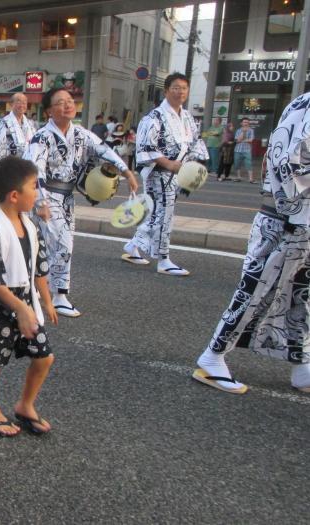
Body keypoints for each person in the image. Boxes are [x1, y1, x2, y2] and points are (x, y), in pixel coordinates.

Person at [193, 91, 310, 395]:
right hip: (290, 219)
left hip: (294, 217)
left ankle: (301, 364)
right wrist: (292, 214)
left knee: (300, 297)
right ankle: (213, 354)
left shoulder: (302, 102)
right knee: (256, 289)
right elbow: (293, 163)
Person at [27, 88, 138, 317]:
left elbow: (103, 150)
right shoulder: (42, 137)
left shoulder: (81, 134)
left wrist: (126, 172)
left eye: (69, 101)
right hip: (46, 197)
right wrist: (41, 202)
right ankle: (52, 293)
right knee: (56, 245)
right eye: (60, 102)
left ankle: (46, 290)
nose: (67, 105)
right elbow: (34, 170)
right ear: (49, 110)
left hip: (67, 198)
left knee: (53, 245)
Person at [0, 156, 58, 437]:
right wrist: (20, 308)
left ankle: (24, 405)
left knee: (44, 357)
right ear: (15, 195)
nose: (38, 192)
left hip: (26, 302)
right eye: (34, 186)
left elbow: (39, 267)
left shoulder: (29, 224)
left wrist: (46, 300)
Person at [121, 72, 208, 276]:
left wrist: (196, 165)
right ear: (166, 91)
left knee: (156, 214)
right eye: (176, 88)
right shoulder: (153, 117)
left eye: (184, 88)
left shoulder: (187, 117)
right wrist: (168, 163)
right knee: (165, 214)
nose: (180, 92)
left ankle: (133, 247)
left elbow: (195, 142)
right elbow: (144, 147)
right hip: (159, 172)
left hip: (179, 172)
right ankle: (163, 259)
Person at [0, 92, 35, 162]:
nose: (22, 105)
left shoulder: (30, 124)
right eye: (18, 102)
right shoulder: (4, 123)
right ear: (11, 104)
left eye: (24, 102)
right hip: (10, 166)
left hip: (28, 167)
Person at [234, 117, 255, 183]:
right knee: (237, 163)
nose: (245, 123)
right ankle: (238, 177)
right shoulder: (238, 130)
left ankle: (251, 178)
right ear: (241, 123)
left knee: (249, 163)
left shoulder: (251, 130)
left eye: (247, 122)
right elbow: (237, 140)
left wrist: (243, 140)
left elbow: (251, 140)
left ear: (249, 123)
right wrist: (243, 132)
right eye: (244, 122)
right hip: (238, 149)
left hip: (247, 149)